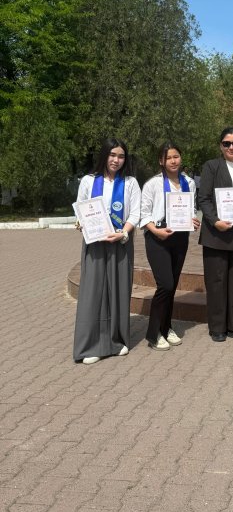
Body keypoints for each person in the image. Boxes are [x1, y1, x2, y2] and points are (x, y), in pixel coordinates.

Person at [73, 138, 141, 364]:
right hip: (95, 243)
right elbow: (80, 208)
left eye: (121, 156)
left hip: (120, 242)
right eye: (112, 155)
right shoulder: (88, 181)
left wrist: (123, 233)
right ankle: (91, 345)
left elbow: (135, 213)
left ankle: (117, 340)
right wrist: (80, 222)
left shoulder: (130, 183)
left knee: (119, 290)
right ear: (104, 155)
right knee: (93, 292)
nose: (116, 160)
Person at [140, 142, 199, 351]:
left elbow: (191, 208)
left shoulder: (189, 182)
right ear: (161, 161)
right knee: (164, 284)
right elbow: (144, 214)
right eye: (169, 158)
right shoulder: (153, 184)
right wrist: (155, 231)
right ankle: (154, 333)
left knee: (172, 286)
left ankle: (166, 327)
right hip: (157, 237)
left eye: (176, 156)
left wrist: (193, 220)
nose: (173, 161)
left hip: (180, 237)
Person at [198, 128, 233, 342]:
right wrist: (215, 221)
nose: (231, 147)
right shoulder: (211, 166)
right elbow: (203, 198)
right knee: (217, 281)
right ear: (220, 145)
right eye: (227, 143)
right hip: (217, 233)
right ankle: (217, 327)